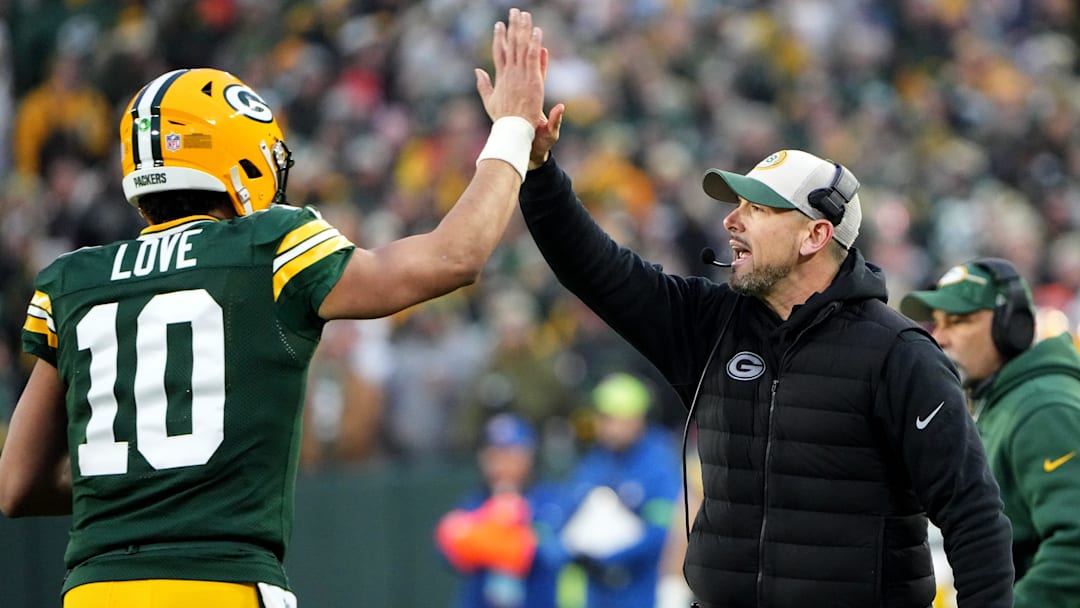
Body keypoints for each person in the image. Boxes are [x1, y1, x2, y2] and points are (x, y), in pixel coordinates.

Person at [0, 8, 546, 607]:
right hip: (222, 585)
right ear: (241, 155)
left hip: (93, 593)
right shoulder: (270, 247)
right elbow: (454, 257)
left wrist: (137, 484)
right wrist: (514, 128)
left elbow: (16, 485)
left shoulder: (70, 281)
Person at [507, 96, 1015, 606]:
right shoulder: (709, 324)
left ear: (815, 235)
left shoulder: (899, 354)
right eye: (737, 205)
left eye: (758, 208)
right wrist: (536, 166)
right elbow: (594, 270)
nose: (732, 221)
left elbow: (973, 517)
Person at [901, 258, 1080, 607]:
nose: (941, 337)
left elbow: (1075, 541)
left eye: (959, 320)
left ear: (1011, 327)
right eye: (937, 323)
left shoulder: (1042, 409)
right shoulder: (1004, 401)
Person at [556, 372, 680, 608]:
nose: (607, 427)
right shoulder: (596, 460)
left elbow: (662, 529)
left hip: (640, 590)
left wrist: (609, 557)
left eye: (615, 418)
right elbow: (565, 515)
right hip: (595, 592)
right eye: (603, 418)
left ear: (637, 418)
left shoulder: (658, 460)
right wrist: (575, 552)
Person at [435, 413, 565, 608]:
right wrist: (495, 527)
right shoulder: (475, 502)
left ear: (529, 457)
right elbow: (447, 551)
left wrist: (499, 535)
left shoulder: (551, 500)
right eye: (494, 457)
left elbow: (552, 553)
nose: (502, 465)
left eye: (511, 455)